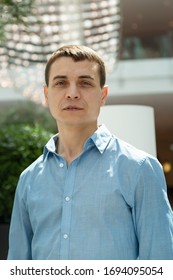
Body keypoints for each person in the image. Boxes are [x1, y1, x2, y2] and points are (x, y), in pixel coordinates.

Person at [8, 45, 173, 260]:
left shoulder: (140, 169)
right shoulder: (29, 179)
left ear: (103, 95)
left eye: (85, 83)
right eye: (61, 83)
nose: (72, 93)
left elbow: (160, 262)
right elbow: (18, 266)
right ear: (46, 95)